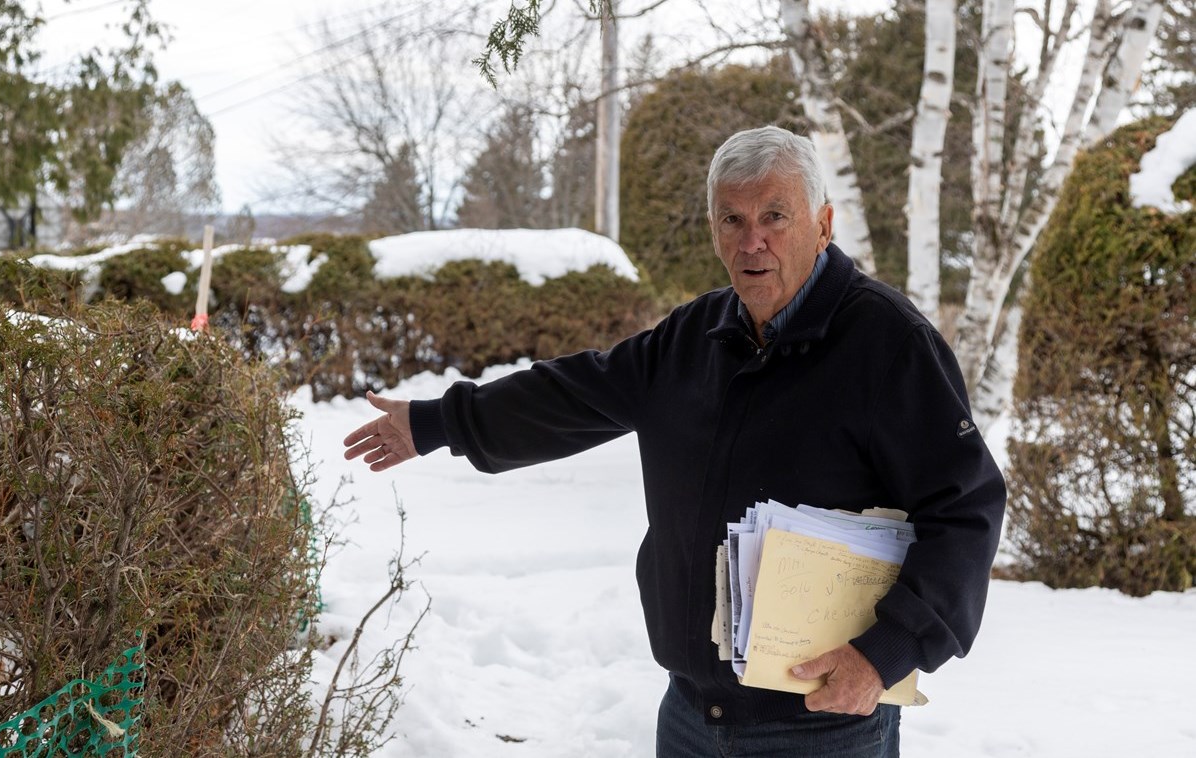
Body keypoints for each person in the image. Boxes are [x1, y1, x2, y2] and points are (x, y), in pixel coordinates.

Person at [342, 125, 1005, 757]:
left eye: (775, 217)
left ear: (823, 224)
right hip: (691, 715)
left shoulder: (888, 344)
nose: (753, 242)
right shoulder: (697, 335)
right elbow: (577, 393)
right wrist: (435, 423)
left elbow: (964, 507)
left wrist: (886, 651)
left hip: (823, 724)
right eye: (732, 220)